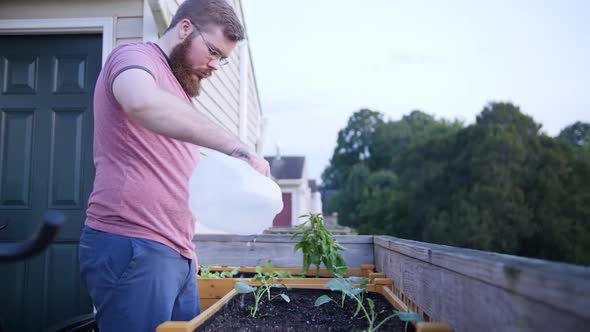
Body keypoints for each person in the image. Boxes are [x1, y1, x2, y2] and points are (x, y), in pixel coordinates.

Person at [78, 0, 270, 331]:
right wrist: (237, 148)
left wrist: (186, 248)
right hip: (135, 244)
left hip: (174, 253)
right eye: (212, 51)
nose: (215, 65)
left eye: (222, 59)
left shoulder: (180, 96)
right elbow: (140, 100)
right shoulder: (134, 57)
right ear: (184, 29)